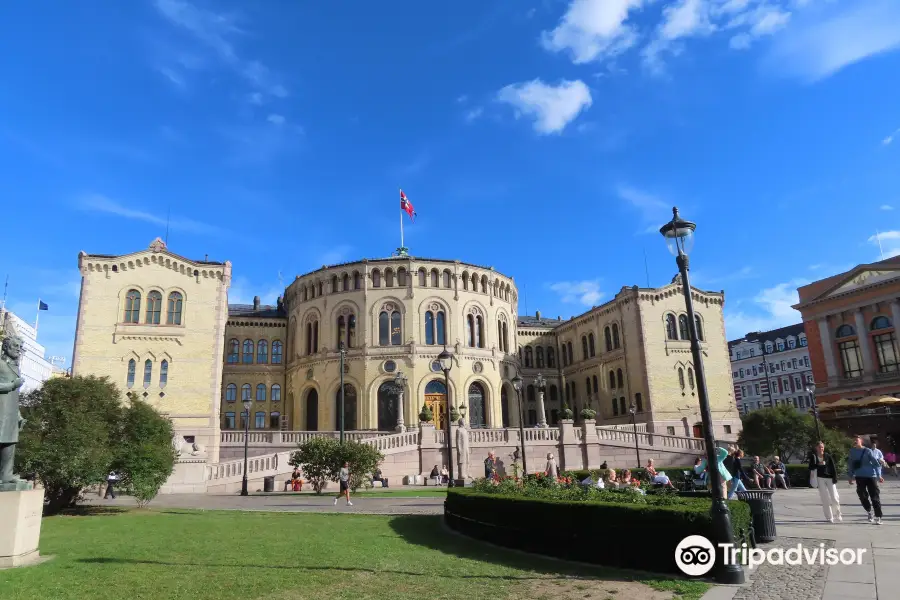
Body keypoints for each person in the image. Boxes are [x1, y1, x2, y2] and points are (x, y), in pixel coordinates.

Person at [848, 436, 884, 524]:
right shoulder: (852, 451)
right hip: (859, 476)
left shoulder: (867, 450)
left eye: (856, 440)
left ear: (861, 441)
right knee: (862, 495)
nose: (855, 441)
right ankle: (869, 511)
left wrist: (879, 475)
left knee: (874, 496)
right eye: (854, 440)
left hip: (871, 476)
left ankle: (878, 516)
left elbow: (875, 463)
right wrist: (850, 476)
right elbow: (851, 464)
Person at [809, 441, 841, 523]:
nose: (821, 449)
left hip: (829, 477)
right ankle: (829, 517)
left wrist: (835, 477)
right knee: (825, 498)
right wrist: (818, 464)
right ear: (816, 448)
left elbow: (833, 467)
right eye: (819, 447)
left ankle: (838, 514)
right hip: (820, 478)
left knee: (834, 497)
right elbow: (810, 467)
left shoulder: (827, 456)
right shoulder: (814, 456)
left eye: (822, 447)